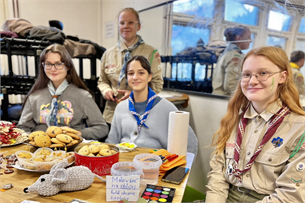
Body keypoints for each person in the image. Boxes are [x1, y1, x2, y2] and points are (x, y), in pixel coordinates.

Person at [205, 46, 305, 203]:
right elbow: (218, 176)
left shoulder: (300, 129)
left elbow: (290, 196)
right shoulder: (233, 120)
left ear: (282, 77)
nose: (252, 81)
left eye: (263, 73)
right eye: (247, 74)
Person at [105, 55, 198, 155]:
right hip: (124, 165)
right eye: (131, 73)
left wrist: (179, 168)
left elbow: (191, 144)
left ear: (149, 77)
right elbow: (112, 142)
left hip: (155, 166)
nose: (135, 77)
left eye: (141, 73)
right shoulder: (120, 108)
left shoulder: (167, 108)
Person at [18, 44, 109, 141]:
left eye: (58, 64)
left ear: (68, 66)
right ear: (43, 66)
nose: (53, 69)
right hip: (41, 150)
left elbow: (102, 128)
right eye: (48, 64)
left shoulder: (82, 96)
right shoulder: (34, 96)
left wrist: (78, 133)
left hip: (71, 148)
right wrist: (35, 139)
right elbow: (22, 128)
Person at [97, 7, 164, 127]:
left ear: (138, 27)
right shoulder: (108, 54)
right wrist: (106, 90)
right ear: (118, 26)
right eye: (122, 23)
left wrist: (135, 94)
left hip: (140, 115)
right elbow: (102, 81)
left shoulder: (151, 52)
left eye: (131, 22)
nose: (126, 26)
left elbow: (157, 84)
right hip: (112, 116)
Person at [212, 25, 252, 96]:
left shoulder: (228, 52)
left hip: (219, 98)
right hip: (225, 99)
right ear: (239, 38)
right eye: (248, 37)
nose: (250, 40)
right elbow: (231, 85)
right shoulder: (235, 55)